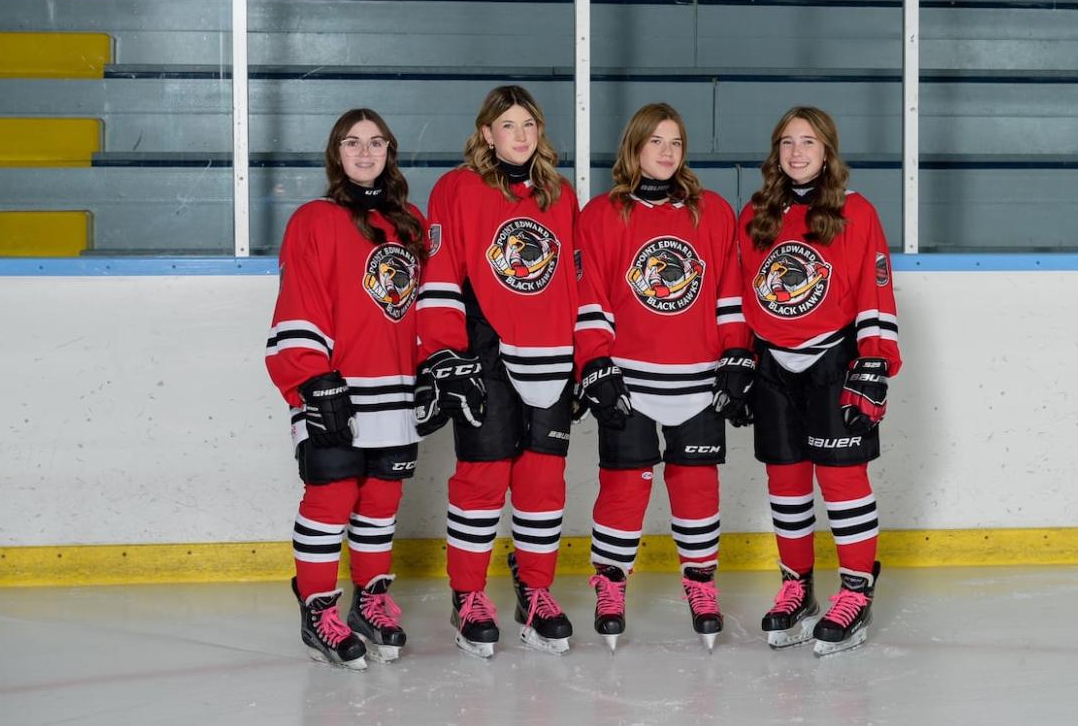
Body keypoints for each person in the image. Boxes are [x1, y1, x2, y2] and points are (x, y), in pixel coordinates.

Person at [574, 103, 753, 652]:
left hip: (697, 379)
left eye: (676, 142)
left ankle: (700, 583)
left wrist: (738, 355)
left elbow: (729, 296)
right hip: (629, 378)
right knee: (624, 487)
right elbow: (591, 297)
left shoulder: (714, 212)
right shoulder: (601, 214)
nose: (667, 151)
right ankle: (609, 583)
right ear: (634, 147)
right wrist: (595, 362)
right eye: (656, 141)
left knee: (696, 485)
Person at [414, 85, 579, 658]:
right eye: (508, 126)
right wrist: (443, 354)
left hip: (552, 356)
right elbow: (439, 278)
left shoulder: (561, 196)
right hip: (486, 353)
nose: (520, 136)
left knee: (541, 482)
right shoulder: (456, 190)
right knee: (483, 478)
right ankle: (469, 596)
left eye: (529, 125)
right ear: (486, 133)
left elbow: (575, 286)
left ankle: (535, 591)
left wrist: (586, 356)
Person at [265, 108, 428, 669]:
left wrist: (431, 369)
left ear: (390, 150)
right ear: (336, 153)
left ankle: (371, 599)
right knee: (331, 497)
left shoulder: (409, 223)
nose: (365, 153)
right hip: (337, 387)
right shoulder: (314, 219)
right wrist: (314, 377)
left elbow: (421, 310)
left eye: (376, 142)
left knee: (381, 503)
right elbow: (299, 302)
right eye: (353, 143)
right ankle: (316, 607)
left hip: (396, 389)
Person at [737, 106, 901, 656]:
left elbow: (875, 287)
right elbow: (739, 293)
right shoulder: (758, 213)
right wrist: (735, 357)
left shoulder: (856, 212)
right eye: (787, 142)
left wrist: (875, 361)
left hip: (835, 361)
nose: (797, 153)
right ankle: (797, 586)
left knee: (842, 481)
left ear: (827, 150)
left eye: (808, 142)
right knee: (785, 483)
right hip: (773, 367)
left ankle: (855, 591)